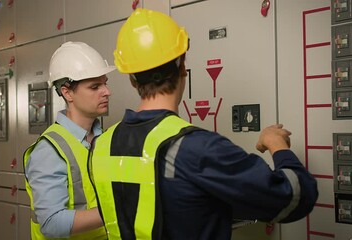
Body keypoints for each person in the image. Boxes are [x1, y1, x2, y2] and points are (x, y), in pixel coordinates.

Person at [89, 8, 319, 240]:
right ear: (182, 68)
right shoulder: (196, 148)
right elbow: (296, 197)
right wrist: (277, 144)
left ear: (131, 79)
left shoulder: (101, 146)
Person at [24, 41, 116, 240]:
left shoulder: (106, 138)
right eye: (95, 86)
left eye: (105, 83)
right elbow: (51, 223)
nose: (107, 92)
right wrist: (118, 209)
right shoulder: (49, 150)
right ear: (67, 92)